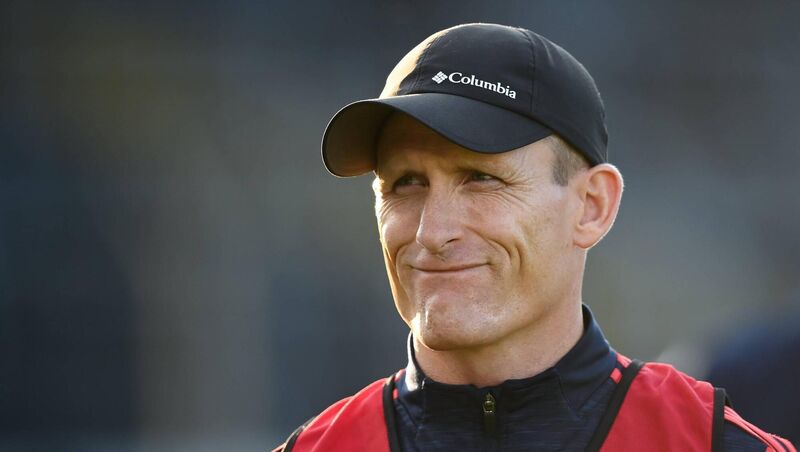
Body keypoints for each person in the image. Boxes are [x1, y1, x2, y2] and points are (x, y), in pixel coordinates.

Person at [274, 23, 795, 451]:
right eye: (405, 184)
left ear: (592, 207)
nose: (432, 232)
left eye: (481, 178)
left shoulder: (704, 443)